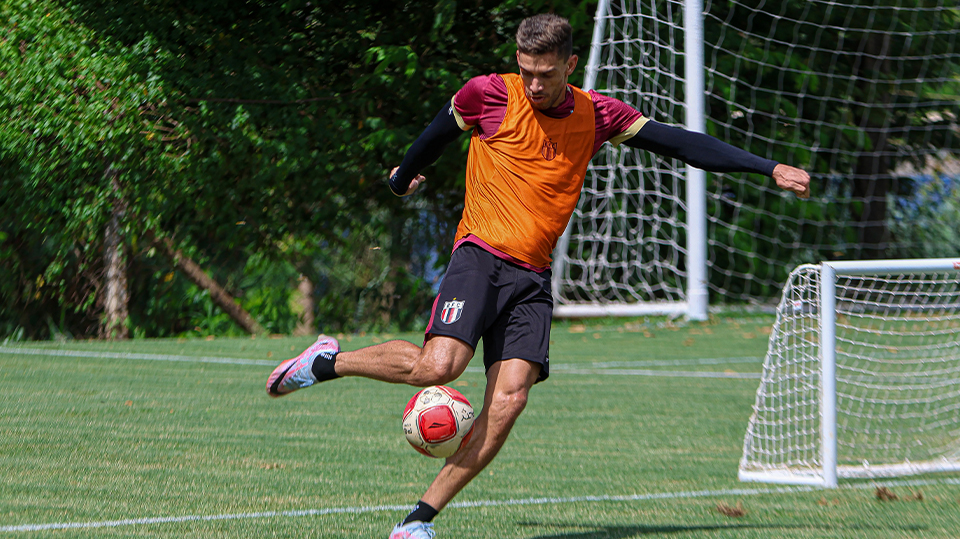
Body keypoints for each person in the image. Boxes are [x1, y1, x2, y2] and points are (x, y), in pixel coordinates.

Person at [266, 13, 810, 539]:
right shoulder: (487, 94)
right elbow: (435, 135)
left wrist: (768, 168)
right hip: (480, 255)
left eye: (546, 75)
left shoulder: (598, 114)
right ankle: (324, 362)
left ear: (570, 64)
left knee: (509, 401)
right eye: (526, 71)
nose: (533, 84)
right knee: (440, 366)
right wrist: (402, 179)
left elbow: (680, 142)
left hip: (533, 277)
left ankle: (417, 520)